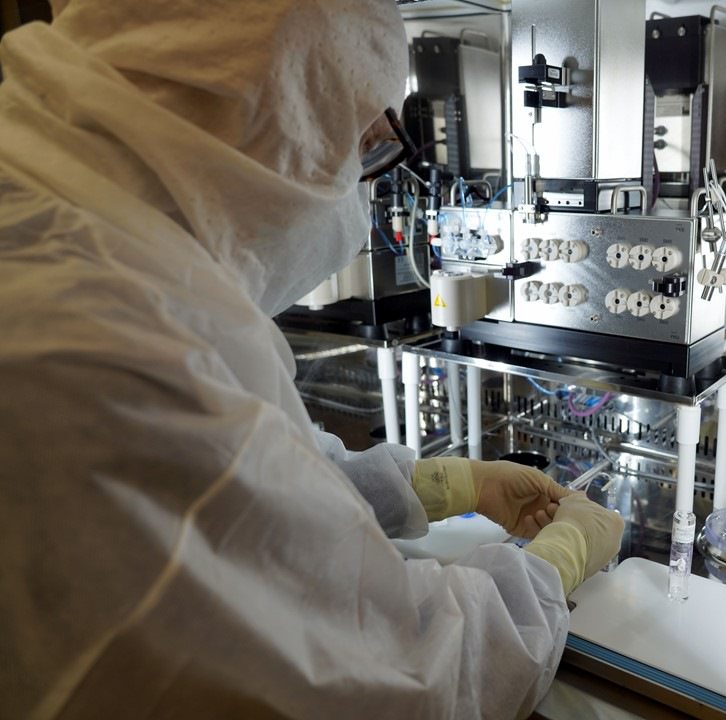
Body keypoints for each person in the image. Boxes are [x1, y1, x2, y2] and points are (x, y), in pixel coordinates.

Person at [0, 1, 624, 718]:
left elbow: (245, 491)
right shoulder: (106, 341)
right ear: (275, 122)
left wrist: (443, 485)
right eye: (362, 148)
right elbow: (407, 679)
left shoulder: (80, 229)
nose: (359, 192)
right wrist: (558, 561)